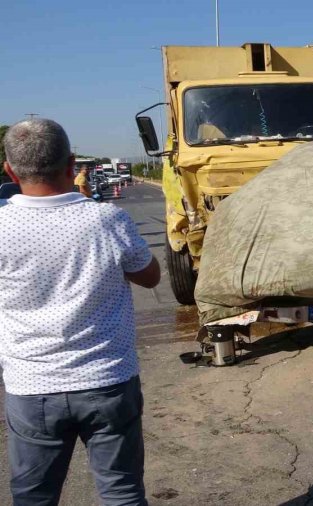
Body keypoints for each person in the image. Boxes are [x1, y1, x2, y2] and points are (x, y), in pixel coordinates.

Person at [0, 119, 161, 505]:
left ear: (10, 170)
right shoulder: (106, 219)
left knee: (33, 496)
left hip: (31, 385)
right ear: (71, 164)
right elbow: (151, 276)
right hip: (108, 379)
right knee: (121, 491)